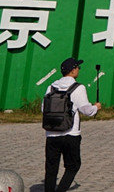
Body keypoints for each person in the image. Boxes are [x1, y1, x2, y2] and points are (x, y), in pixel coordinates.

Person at [43, 57, 101, 192]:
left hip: (51, 134)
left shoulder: (51, 87)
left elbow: (43, 108)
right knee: (73, 166)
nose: (79, 69)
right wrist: (96, 107)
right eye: (77, 67)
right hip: (71, 134)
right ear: (73, 70)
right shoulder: (78, 88)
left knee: (51, 169)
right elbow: (86, 110)